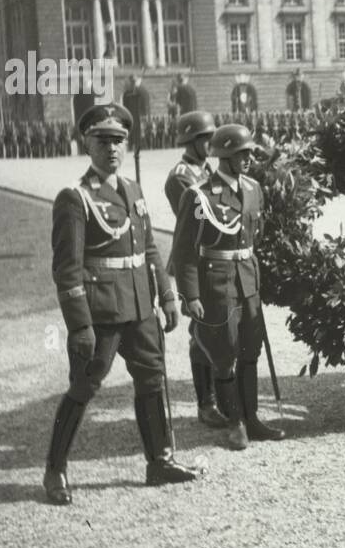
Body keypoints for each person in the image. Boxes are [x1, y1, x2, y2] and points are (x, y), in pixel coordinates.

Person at [44, 104, 202, 506]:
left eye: (118, 141)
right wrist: (80, 326)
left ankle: (160, 460)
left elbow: (148, 248)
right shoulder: (75, 198)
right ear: (87, 144)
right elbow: (67, 270)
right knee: (84, 385)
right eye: (103, 140)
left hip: (139, 305)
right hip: (102, 312)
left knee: (152, 378)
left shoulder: (132, 189)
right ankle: (55, 469)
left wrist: (166, 296)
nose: (112, 148)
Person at [171, 124, 286, 450]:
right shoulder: (199, 196)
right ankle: (234, 422)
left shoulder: (253, 189)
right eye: (241, 153)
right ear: (223, 155)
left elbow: (255, 235)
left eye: (250, 152)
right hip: (216, 283)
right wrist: (190, 295)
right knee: (224, 353)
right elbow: (184, 250)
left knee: (251, 349)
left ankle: (252, 419)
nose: (248, 158)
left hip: (247, 279)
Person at [164, 111, 225, 430]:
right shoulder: (181, 175)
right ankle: (207, 403)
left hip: (214, 257)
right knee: (201, 331)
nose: (211, 142)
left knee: (221, 325)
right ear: (190, 140)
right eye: (205, 138)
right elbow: (199, 212)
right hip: (196, 259)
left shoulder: (206, 167)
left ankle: (220, 395)